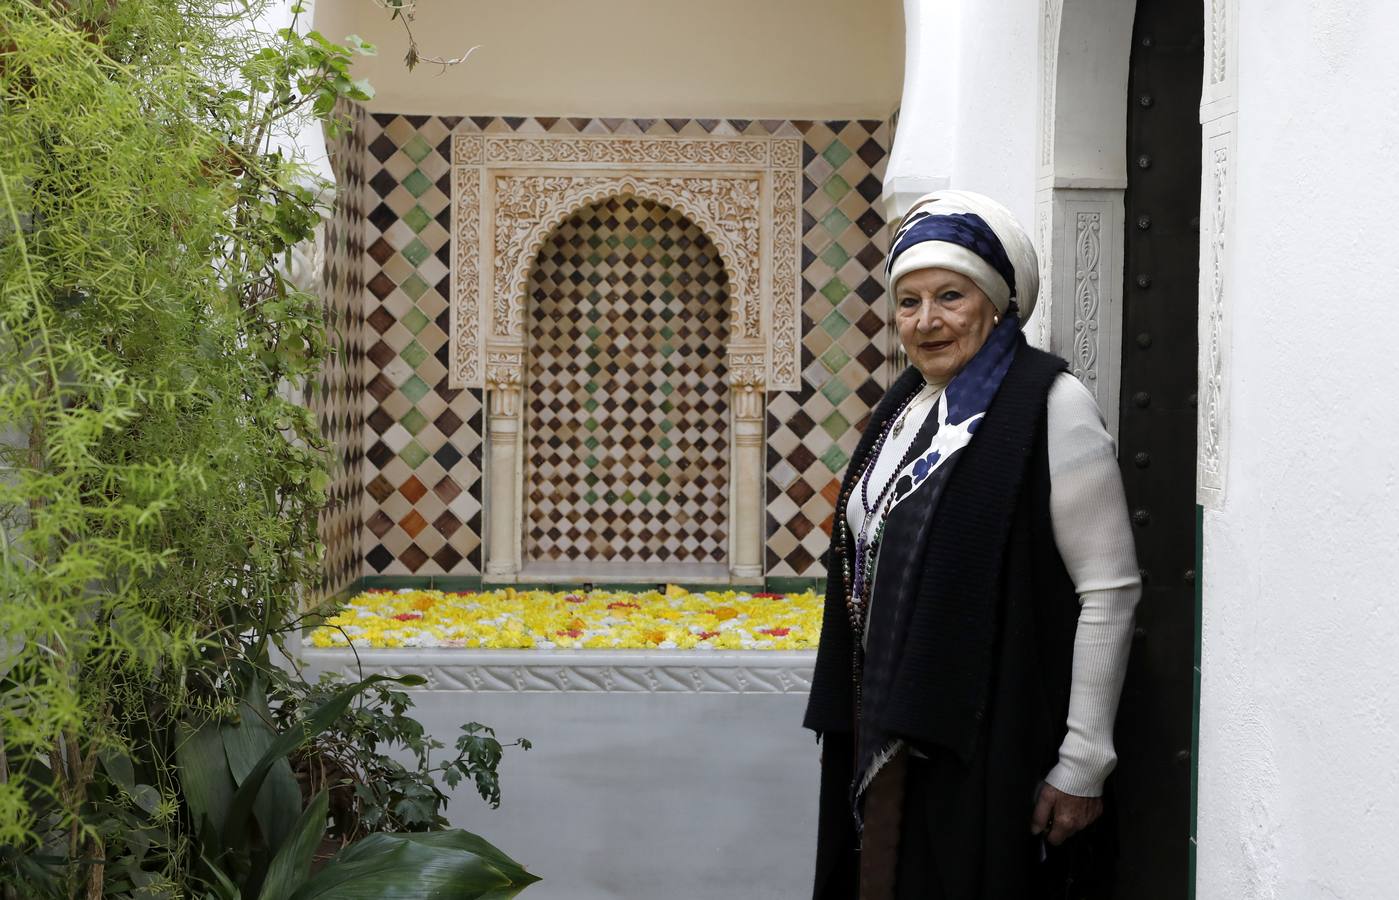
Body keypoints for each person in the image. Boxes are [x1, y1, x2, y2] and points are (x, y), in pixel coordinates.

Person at [803, 190, 1141, 899]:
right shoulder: (905, 405)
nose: (925, 322)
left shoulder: (1049, 406)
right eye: (908, 301)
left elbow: (1107, 591)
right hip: (891, 724)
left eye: (950, 296)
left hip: (988, 737)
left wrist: (1083, 759)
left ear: (995, 303)